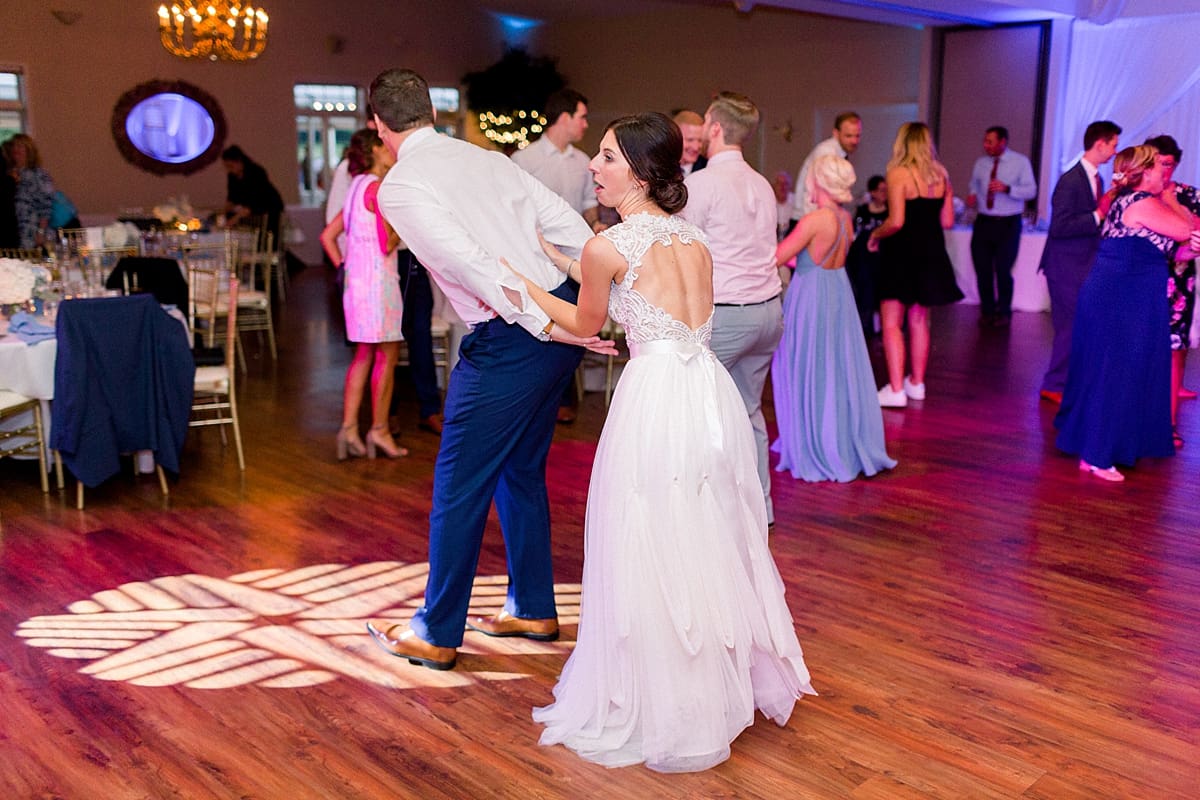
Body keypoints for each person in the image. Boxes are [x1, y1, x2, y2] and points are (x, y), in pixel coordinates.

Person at [510, 111, 814, 772]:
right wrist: (561, 256)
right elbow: (637, 288)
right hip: (708, 393)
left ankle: (664, 695)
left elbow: (589, 317)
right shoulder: (692, 239)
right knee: (705, 533)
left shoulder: (608, 245)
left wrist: (524, 285)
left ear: (643, 172)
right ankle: (712, 683)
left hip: (654, 397)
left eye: (609, 157)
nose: (596, 165)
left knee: (645, 533)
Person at [362, 68, 613, 671]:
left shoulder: (400, 184)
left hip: (517, 334)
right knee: (520, 471)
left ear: (379, 123)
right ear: (428, 110)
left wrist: (551, 322)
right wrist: (582, 308)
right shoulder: (487, 158)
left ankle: (436, 630)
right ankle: (531, 607)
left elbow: (473, 265)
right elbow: (567, 227)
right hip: (551, 324)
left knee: (459, 483)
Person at [1055, 145, 1200, 481]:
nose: (1166, 173)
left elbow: (1173, 251)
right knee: (1115, 371)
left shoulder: (1141, 204)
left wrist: (1191, 248)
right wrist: (1176, 203)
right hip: (1119, 298)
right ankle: (1096, 455)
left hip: (1135, 296)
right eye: (1160, 167)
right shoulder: (1140, 202)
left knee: (1125, 372)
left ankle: (1106, 447)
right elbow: (1183, 228)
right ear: (1145, 172)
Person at [679, 91, 783, 525]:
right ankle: (761, 507)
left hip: (727, 314)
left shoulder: (701, 184)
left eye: (705, 122)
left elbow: (681, 249)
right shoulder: (761, 182)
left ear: (716, 128)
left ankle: (703, 512)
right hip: (768, 311)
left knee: (695, 410)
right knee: (748, 409)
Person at [773, 156, 896, 482]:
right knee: (835, 367)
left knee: (807, 365)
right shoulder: (844, 218)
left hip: (812, 297)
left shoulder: (814, 220)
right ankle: (838, 438)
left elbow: (777, 258)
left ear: (819, 182)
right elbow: (815, 259)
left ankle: (814, 442)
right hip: (838, 292)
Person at [512, 87, 602, 424]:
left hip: (576, 260)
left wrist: (596, 227)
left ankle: (561, 397)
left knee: (576, 326)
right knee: (540, 325)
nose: (585, 124)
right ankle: (534, 394)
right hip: (535, 259)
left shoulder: (582, 161)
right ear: (564, 118)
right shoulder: (524, 159)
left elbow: (589, 204)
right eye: (581, 117)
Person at [319, 128, 408, 461]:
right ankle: (379, 430)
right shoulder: (377, 188)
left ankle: (349, 429)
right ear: (375, 150)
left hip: (356, 282)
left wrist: (344, 265)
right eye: (387, 147)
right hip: (380, 283)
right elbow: (388, 243)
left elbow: (328, 236)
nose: (392, 153)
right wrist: (404, 223)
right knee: (387, 356)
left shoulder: (355, 187)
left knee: (362, 356)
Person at [868, 122, 963, 408]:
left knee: (892, 323)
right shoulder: (941, 174)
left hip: (902, 254)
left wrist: (874, 234)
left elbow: (896, 221)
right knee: (920, 321)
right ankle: (916, 384)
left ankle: (896, 389)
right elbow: (947, 221)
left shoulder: (898, 174)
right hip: (932, 253)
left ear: (902, 143)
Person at [1037, 120, 1122, 405]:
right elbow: (1059, 227)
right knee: (1069, 326)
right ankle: (1054, 384)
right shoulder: (1070, 179)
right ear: (1100, 144)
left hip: (1081, 264)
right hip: (1064, 266)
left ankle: (1069, 382)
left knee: (1079, 325)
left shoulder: (1094, 177)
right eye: (1113, 145)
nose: (1114, 151)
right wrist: (1098, 214)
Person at [1143, 134, 1200, 443]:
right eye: (1156, 163)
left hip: (1178, 284)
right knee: (1138, 353)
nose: (1163, 170)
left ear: (1175, 164)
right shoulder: (1139, 194)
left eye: (1167, 163)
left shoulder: (1190, 195)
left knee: (1174, 354)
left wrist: (1173, 203)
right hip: (1142, 280)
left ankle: (1169, 425)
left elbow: (1194, 235)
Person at [965, 126, 1037, 327]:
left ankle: (1004, 312)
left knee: (1003, 269)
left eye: (990, 141)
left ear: (1002, 142)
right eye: (985, 141)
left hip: (1008, 222)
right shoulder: (980, 163)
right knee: (982, 269)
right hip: (984, 221)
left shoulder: (1020, 162)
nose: (985, 145)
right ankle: (987, 311)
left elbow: (1031, 191)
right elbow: (974, 183)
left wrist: (1007, 188)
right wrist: (972, 193)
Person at [789, 112, 861, 231]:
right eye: (848, 136)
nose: (854, 141)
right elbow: (817, 190)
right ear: (835, 133)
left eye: (857, 136)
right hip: (808, 217)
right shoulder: (826, 154)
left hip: (815, 218)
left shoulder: (838, 153)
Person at [846, 173, 889, 338]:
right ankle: (866, 326)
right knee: (865, 286)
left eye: (886, 190)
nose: (884, 194)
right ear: (872, 192)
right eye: (881, 190)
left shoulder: (891, 212)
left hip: (884, 260)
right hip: (865, 259)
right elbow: (857, 234)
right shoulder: (863, 210)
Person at [220, 145, 284, 238]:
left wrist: (234, 220)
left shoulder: (256, 172)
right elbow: (231, 198)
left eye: (231, 166)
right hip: (251, 211)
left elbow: (255, 201)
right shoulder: (232, 176)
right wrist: (222, 214)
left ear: (239, 161)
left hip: (268, 209)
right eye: (227, 167)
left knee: (268, 239)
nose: (229, 170)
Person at [3, 134, 55, 250]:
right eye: (14, 146)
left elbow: (46, 206)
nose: (16, 149)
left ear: (29, 150)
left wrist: (41, 232)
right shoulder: (10, 174)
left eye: (20, 146)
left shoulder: (38, 174)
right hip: (12, 235)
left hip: (32, 233)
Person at [672, 109, 707, 176]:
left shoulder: (707, 168)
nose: (696, 147)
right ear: (674, 137)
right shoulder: (660, 167)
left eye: (700, 140)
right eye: (690, 140)